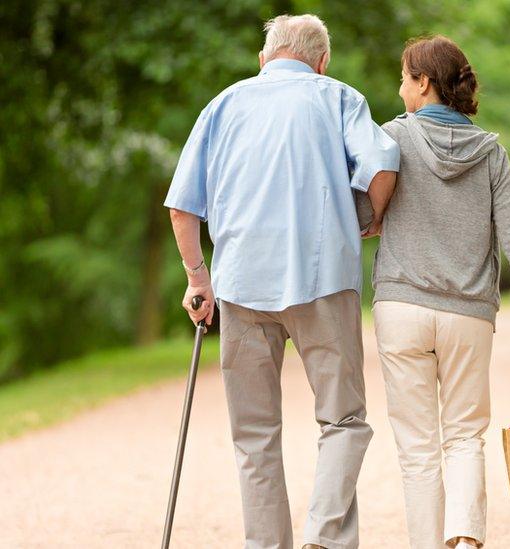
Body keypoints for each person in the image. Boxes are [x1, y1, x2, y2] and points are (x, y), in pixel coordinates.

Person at [164, 14, 398, 549]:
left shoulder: (223, 105)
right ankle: (324, 536)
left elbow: (182, 207)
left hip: (241, 285)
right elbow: (383, 162)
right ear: (322, 61)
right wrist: (369, 219)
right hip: (323, 281)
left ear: (265, 58)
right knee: (343, 421)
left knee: (254, 438)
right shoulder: (338, 97)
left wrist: (198, 278)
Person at [369, 35, 510, 549]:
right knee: (463, 436)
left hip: (402, 307)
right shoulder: (490, 151)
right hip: (468, 316)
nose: (400, 87)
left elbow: (366, 212)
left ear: (424, 83)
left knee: (417, 449)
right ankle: (466, 538)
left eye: (405, 78)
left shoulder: (391, 138)